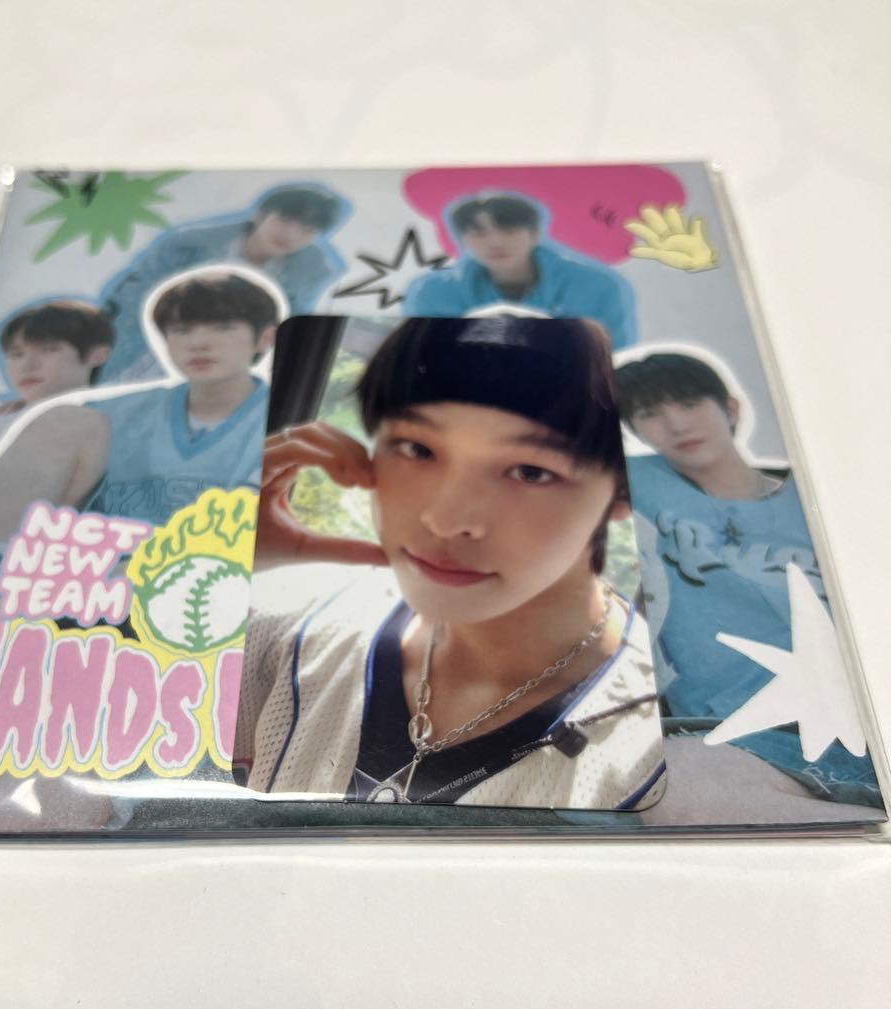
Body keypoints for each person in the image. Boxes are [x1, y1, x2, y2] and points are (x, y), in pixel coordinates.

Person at [0, 271, 279, 824]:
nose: (198, 342)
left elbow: (226, 562)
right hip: (55, 599)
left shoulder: (282, 421)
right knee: (63, 423)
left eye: (221, 327)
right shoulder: (110, 415)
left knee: (29, 796)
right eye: (182, 330)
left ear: (263, 337)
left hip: (168, 619)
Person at [234, 316, 665, 808]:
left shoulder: (650, 754)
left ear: (625, 491)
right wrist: (217, 555)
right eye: (417, 449)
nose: (445, 519)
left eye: (530, 472)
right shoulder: (283, 627)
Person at [616, 351, 882, 810]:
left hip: (871, 710)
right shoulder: (638, 484)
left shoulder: (822, 492)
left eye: (690, 403)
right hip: (749, 732)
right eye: (651, 413)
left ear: (731, 407)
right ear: (635, 431)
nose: (677, 424)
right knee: (670, 791)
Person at [100, 183, 347, 383]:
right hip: (145, 343)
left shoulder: (308, 275)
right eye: (284, 220)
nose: (291, 235)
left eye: (307, 230)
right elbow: (134, 294)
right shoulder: (188, 245)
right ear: (260, 214)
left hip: (221, 367)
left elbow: (289, 331)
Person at [0, 301, 113, 519]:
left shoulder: (104, 426)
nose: (27, 366)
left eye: (49, 350)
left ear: (97, 354)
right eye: (17, 354)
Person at [402, 193, 637, 349]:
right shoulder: (433, 292)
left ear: (535, 234)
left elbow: (609, 359)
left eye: (509, 231)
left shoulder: (594, 286)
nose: (495, 242)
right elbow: (426, 359)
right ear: (462, 241)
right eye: (479, 233)